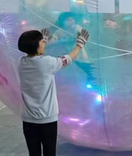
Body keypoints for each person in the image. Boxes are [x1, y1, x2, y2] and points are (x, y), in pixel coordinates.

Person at [18, 27, 90, 156]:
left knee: (33, 153)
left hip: (28, 120)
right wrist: (80, 44)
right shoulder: (47, 63)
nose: (44, 43)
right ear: (36, 45)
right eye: (42, 42)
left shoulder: (21, 63)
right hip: (47, 119)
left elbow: (36, 57)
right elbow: (68, 58)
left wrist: (44, 41)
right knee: (50, 152)